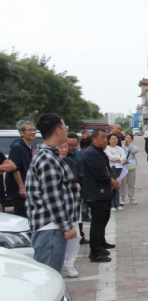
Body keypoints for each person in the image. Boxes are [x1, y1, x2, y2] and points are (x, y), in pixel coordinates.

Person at [25, 114, 79, 272]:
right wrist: (66, 226)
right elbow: (53, 198)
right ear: (57, 131)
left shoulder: (50, 156)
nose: (66, 131)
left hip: (53, 228)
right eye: (64, 127)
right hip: (51, 228)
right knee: (48, 276)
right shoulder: (47, 159)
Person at [83, 128, 118, 262]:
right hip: (96, 193)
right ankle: (95, 252)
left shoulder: (100, 152)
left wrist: (113, 179)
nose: (105, 140)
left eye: (106, 137)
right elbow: (99, 174)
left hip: (104, 192)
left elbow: (107, 170)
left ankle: (101, 244)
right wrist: (111, 181)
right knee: (97, 223)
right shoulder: (91, 153)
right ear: (94, 139)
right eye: (102, 137)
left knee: (104, 219)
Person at [58, 142, 82, 278]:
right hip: (59, 208)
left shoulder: (70, 162)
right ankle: (59, 264)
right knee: (60, 237)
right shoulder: (51, 164)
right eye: (60, 147)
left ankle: (69, 264)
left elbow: (79, 176)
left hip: (73, 205)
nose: (63, 149)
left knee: (75, 236)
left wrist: (78, 183)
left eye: (65, 147)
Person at [6, 120, 37, 217]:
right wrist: (21, 187)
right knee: (21, 214)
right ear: (21, 133)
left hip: (29, 185)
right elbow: (15, 168)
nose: (32, 132)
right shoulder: (17, 146)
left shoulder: (30, 146)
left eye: (34, 130)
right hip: (19, 188)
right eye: (29, 130)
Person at [105, 134, 126, 212]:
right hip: (111, 168)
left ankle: (117, 204)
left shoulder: (120, 148)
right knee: (112, 186)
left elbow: (124, 156)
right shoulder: (107, 148)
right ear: (109, 140)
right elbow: (109, 157)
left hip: (119, 168)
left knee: (118, 186)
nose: (114, 140)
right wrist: (118, 158)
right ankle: (112, 204)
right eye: (113, 138)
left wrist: (119, 159)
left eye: (116, 138)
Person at [121, 134, 139, 205]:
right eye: (126, 137)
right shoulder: (121, 147)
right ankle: (122, 198)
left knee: (131, 183)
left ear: (132, 140)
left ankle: (131, 197)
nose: (127, 139)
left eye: (129, 138)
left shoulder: (133, 147)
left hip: (131, 167)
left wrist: (129, 145)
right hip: (123, 167)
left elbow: (134, 151)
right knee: (123, 183)